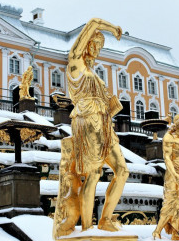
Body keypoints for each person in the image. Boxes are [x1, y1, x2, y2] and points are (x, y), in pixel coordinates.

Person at [53, 18, 129, 238]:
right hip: (86, 122)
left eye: (100, 47)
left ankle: (105, 220)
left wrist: (111, 107)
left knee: (122, 171)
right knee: (94, 174)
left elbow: (103, 102)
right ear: (85, 44)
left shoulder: (94, 73)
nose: (97, 50)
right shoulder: (75, 64)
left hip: (104, 123)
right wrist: (112, 27)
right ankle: (87, 229)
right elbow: (93, 22)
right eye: (95, 44)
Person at [153, 114, 179, 240]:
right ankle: (157, 231)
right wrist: (174, 174)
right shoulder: (169, 137)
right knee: (170, 202)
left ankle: (176, 232)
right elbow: (167, 158)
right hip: (173, 174)